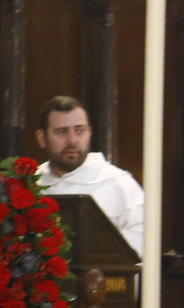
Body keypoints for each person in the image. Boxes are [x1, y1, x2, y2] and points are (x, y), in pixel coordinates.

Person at [34, 95, 146, 255]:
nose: (72, 140)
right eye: (61, 132)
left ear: (89, 133)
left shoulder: (119, 183)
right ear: (41, 138)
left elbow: (143, 243)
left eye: (79, 130)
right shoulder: (31, 184)